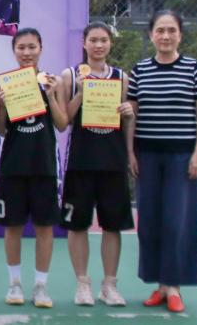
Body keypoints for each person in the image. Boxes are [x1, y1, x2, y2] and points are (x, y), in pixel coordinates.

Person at [128, 10, 197, 314]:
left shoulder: (194, 69)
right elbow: (132, 115)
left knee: (176, 222)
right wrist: (130, 152)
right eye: (160, 30)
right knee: (149, 222)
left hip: (181, 158)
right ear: (151, 35)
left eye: (171, 30)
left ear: (180, 34)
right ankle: (160, 286)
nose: (165, 36)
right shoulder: (140, 71)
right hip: (147, 156)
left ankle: (173, 286)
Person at [59, 22, 134, 307]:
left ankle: (109, 285)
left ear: (110, 43)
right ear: (84, 43)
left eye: (103, 40)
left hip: (112, 162)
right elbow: (63, 120)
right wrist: (81, 91)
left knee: (112, 226)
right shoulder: (71, 76)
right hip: (81, 161)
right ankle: (82, 283)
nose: (99, 45)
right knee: (78, 225)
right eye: (93, 40)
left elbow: (128, 120)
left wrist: (130, 147)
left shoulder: (121, 78)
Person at [0, 27, 68, 308]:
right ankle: (14, 284)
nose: (26, 52)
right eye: (21, 47)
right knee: (12, 227)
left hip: (44, 166)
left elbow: (61, 124)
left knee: (44, 227)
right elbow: (1, 131)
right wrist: (0, 106)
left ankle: (40, 286)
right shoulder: (8, 84)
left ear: (40, 49)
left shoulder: (52, 81)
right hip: (13, 166)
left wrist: (51, 96)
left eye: (31, 47)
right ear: (14, 50)